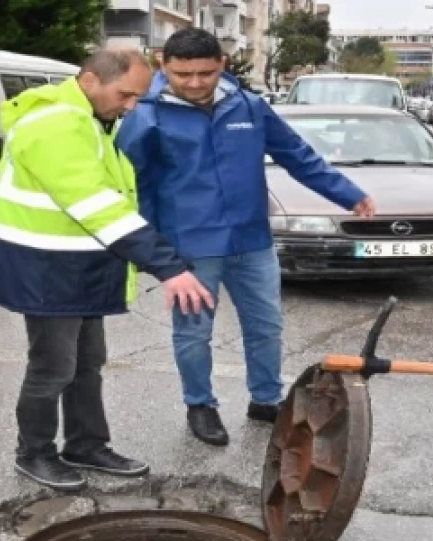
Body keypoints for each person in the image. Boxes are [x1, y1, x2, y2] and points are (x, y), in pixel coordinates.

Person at [0, 48, 215, 492]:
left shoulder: (91, 118)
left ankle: (86, 445)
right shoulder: (56, 124)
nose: (131, 106)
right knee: (52, 367)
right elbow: (97, 205)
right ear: (90, 80)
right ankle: (34, 453)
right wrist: (169, 268)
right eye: (126, 94)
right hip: (45, 268)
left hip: (76, 265)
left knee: (87, 363)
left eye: (138, 97)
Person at [115, 28, 375, 446]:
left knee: (266, 326)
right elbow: (133, 187)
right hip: (190, 249)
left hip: (252, 242)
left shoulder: (249, 107)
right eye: (184, 74)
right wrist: (154, 254)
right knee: (194, 334)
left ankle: (266, 401)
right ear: (164, 64)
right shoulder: (144, 117)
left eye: (205, 72)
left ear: (222, 64)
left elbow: (297, 155)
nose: (196, 83)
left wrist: (348, 194)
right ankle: (200, 404)